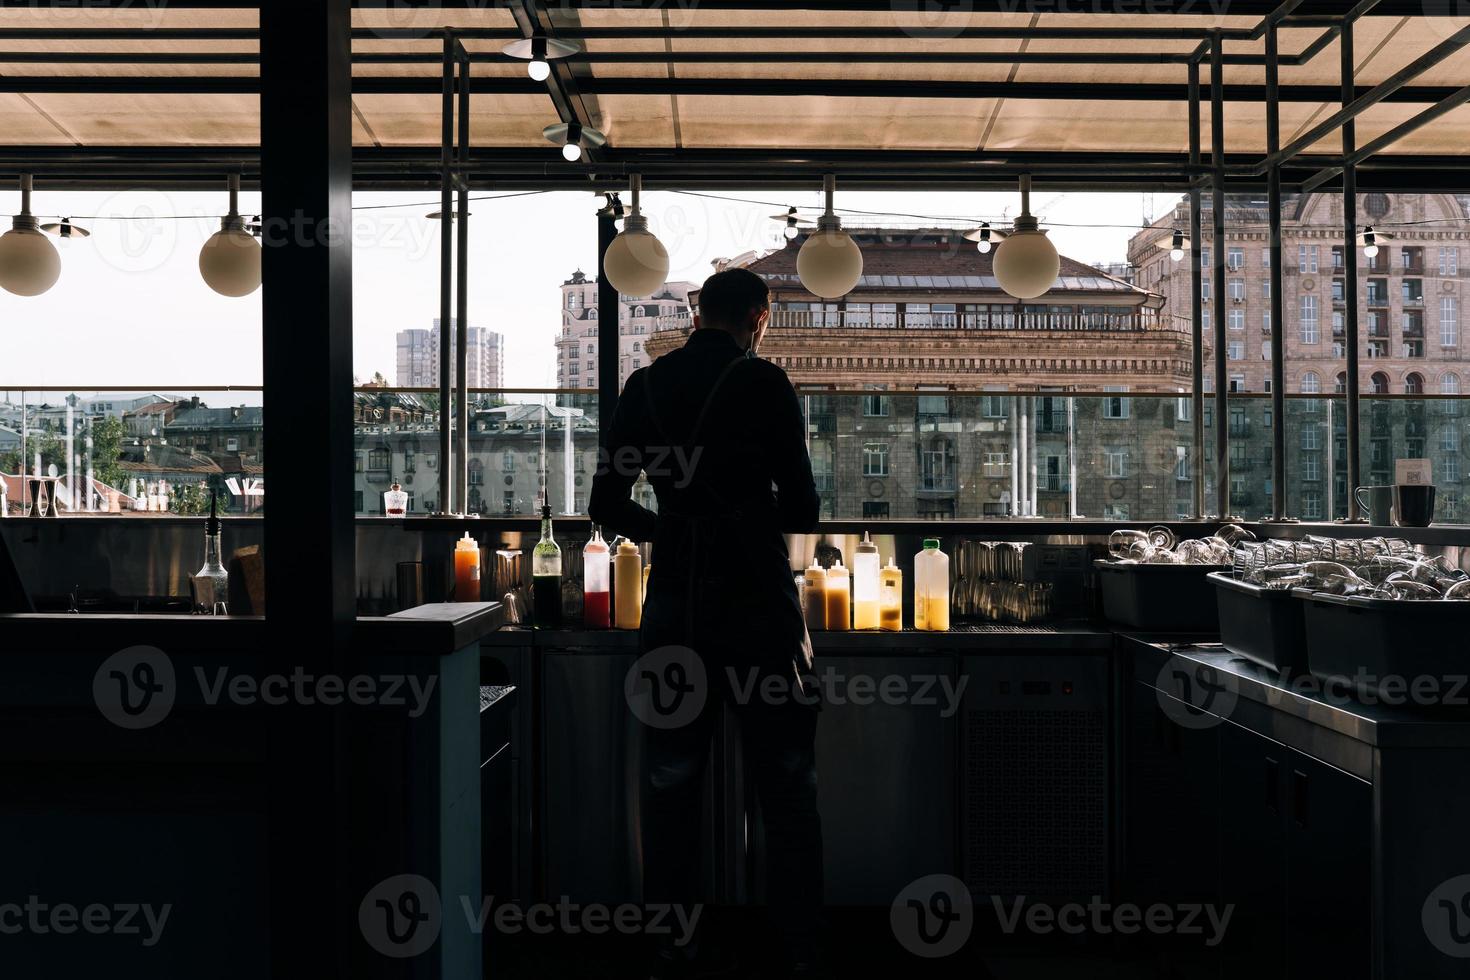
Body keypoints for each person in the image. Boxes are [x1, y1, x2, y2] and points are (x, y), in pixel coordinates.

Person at [589, 268, 824, 978]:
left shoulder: (646, 387)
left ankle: (674, 942)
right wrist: (746, 518)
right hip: (758, 612)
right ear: (759, 317)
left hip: (677, 613)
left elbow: (607, 500)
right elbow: (805, 508)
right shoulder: (765, 384)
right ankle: (795, 947)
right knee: (785, 784)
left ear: (697, 314)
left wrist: (675, 524)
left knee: (670, 783)